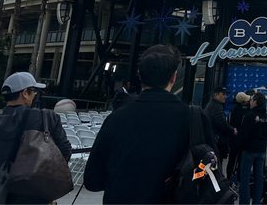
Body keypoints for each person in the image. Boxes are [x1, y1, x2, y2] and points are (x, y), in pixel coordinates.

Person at [85, 45, 215, 203]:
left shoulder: (116, 118)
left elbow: (93, 180)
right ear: (174, 77)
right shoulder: (193, 118)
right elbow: (210, 171)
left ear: (139, 75)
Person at [0, 72, 71, 204]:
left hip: (2, 197)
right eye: (34, 91)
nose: (35, 95)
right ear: (24, 93)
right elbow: (65, 152)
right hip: (37, 195)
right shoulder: (46, 118)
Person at [238, 92, 267, 205]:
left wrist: (240, 146)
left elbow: (243, 134)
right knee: (259, 179)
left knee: (245, 179)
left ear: (255, 102)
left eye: (251, 100)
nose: (250, 102)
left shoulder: (249, 115)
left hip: (249, 150)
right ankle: (256, 202)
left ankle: (244, 203)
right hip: (261, 150)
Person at [205, 86, 237, 172]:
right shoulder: (216, 106)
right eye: (223, 94)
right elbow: (221, 123)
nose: (225, 96)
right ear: (216, 95)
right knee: (216, 166)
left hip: (213, 140)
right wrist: (232, 130)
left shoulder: (213, 105)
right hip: (216, 142)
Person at [227, 91, 251, 179]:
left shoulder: (233, 110)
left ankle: (229, 178)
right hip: (241, 140)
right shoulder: (245, 111)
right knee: (240, 161)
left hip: (233, 140)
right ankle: (238, 178)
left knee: (231, 160)